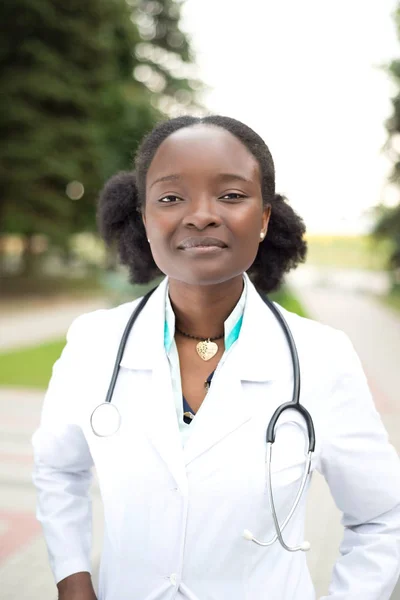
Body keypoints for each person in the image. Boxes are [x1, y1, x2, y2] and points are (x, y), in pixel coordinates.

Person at [32, 115, 400, 600]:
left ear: (265, 218)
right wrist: (73, 581)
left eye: (230, 195)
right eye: (170, 198)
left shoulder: (323, 357)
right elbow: (59, 470)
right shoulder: (93, 342)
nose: (201, 215)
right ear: (144, 218)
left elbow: (382, 517)